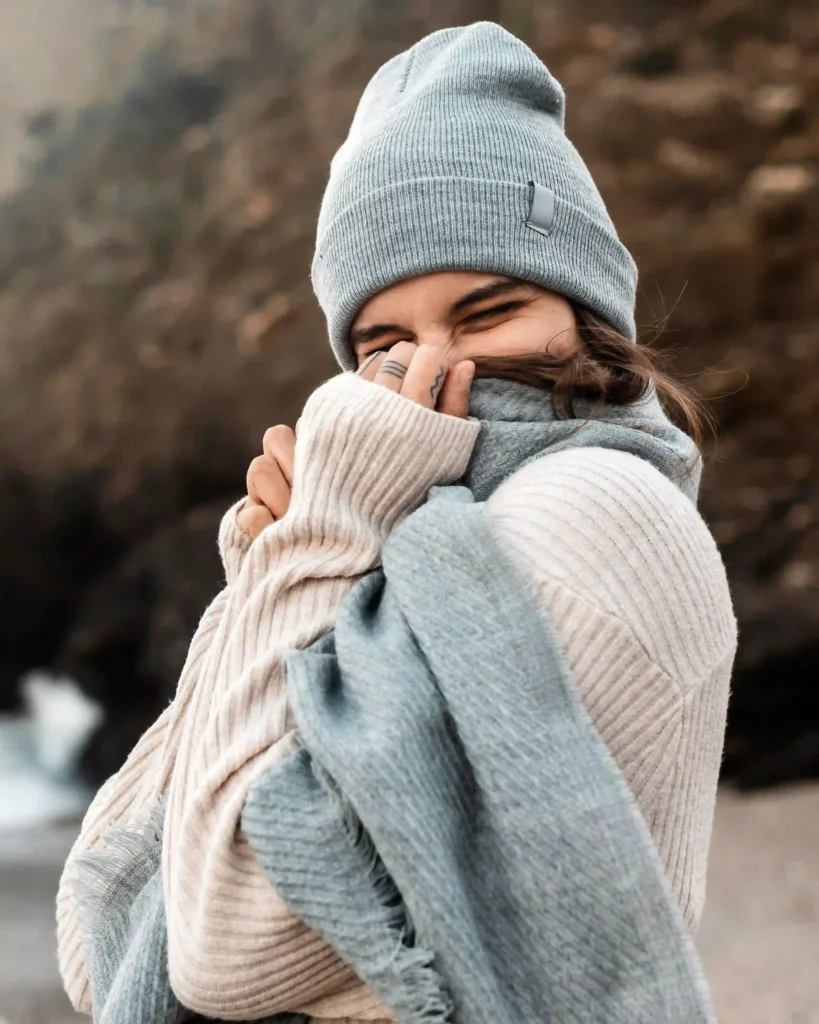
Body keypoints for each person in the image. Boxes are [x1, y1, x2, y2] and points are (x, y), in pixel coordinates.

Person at [57, 21, 736, 1024]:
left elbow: (223, 946)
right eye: (384, 339)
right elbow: (101, 913)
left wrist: (318, 543)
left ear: (583, 308)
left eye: (485, 312)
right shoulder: (408, 531)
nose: (432, 370)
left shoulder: (593, 518)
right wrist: (269, 573)